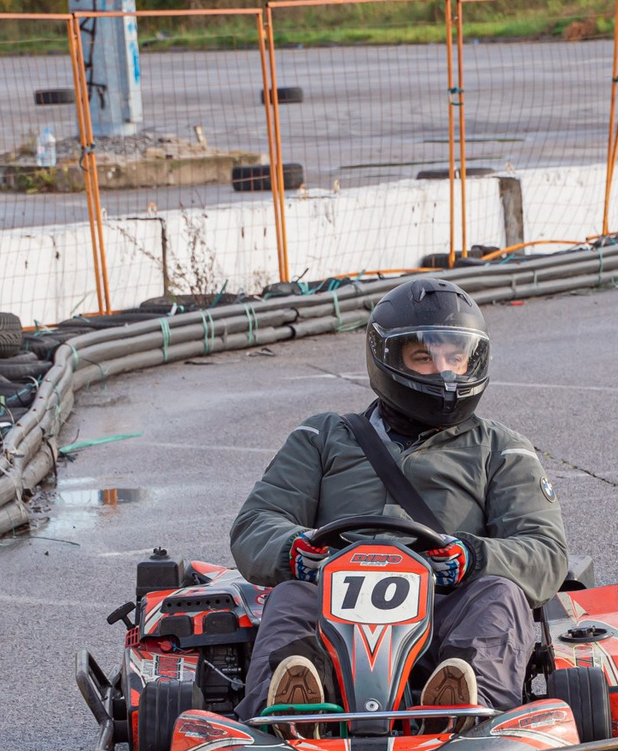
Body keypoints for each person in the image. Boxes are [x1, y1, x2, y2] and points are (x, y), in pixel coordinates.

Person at [231, 277, 566, 717]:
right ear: (388, 359)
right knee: (290, 596)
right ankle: (293, 701)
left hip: (446, 613)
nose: (445, 372)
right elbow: (257, 523)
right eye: (424, 357)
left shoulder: (501, 448)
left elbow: (544, 551)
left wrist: (473, 557)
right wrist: (296, 550)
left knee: (499, 595)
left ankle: (465, 704)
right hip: (332, 615)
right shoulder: (323, 436)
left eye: (456, 357)